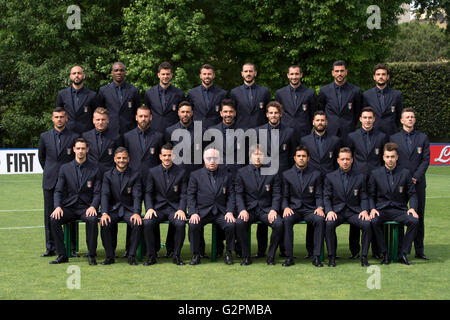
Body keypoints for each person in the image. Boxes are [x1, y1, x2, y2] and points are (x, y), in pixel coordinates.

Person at [49, 138, 101, 265]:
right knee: (54, 219)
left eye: (83, 148)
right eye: (78, 148)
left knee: (92, 219)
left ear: (87, 150)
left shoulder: (95, 169)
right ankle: (62, 254)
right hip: (70, 207)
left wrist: (94, 206)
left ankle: (91, 254)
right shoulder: (65, 168)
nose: (80, 151)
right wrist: (57, 207)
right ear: (73, 150)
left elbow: (98, 192)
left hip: (86, 207)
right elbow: (58, 191)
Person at [368, 142, 419, 265]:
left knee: (414, 221)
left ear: (397, 157)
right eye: (387, 157)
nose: (390, 159)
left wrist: (412, 208)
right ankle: (384, 254)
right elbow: (370, 195)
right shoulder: (375, 173)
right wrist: (372, 209)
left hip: (399, 210)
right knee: (373, 221)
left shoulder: (405, 173)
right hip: (381, 209)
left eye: (392, 157)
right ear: (383, 157)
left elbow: (412, 193)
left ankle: (403, 253)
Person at [346, 107, 387, 258]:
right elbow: (348, 157)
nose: (368, 120)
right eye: (365, 117)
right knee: (358, 213)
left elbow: (384, 159)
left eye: (370, 117)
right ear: (360, 119)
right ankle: (355, 251)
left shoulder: (382, 137)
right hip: (357, 179)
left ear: (374, 119)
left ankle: (377, 251)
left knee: (375, 214)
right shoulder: (352, 136)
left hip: (376, 180)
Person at [38, 107, 79, 257]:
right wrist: (51, 172)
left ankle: (72, 247)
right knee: (50, 215)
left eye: (62, 117)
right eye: (56, 117)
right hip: (50, 181)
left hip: (69, 183)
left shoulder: (74, 136)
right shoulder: (45, 136)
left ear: (66, 118)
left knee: (71, 214)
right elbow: (42, 158)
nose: (59, 119)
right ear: (52, 119)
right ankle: (51, 247)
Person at [390, 108, 430, 260]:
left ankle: (419, 250)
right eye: (407, 117)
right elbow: (393, 159)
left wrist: (416, 177)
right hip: (400, 183)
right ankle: (399, 249)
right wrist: (405, 178)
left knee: (418, 216)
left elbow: (426, 160)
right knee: (400, 215)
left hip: (418, 183)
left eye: (412, 117)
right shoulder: (393, 137)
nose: (410, 119)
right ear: (401, 120)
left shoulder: (423, 137)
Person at [300, 111, 341, 258]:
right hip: (311, 181)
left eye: (323, 120)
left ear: (326, 122)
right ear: (313, 122)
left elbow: (338, 162)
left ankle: (332, 251)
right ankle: (311, 251)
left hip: (329, 182)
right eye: (317, 120)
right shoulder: (304, 140)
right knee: (314, 215)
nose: (320, 123)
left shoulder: (335, 140)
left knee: (330, 216)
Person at [234, 144, 283, 266]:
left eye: (260, 154)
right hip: (249, 210)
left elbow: (277, 194)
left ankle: (271, 256)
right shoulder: (242, 172)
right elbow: (238, 194)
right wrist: (242, 210)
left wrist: (273, 210)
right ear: (250, 157)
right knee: (240, 223)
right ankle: (246, 256)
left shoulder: (272, 172)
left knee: (279, 223)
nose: (257, 157)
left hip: (266, 210)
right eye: (255, 154)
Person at [323, 147, 372, 267]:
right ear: (338, 160)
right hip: (337, 211)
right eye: (343, 159)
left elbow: (364, 196)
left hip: (354, 211)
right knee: (329, 224)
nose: (345, 162)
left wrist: (365, 210)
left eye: (348, 159)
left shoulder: (360, 177)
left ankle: (364, 257)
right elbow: (326, 197)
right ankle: (332, 256)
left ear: (352, 160)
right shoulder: (330, 177)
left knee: (366, 224)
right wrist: (329, 211)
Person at [187, 148, 236, 265]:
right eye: (209, 158)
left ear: (219, 159)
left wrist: (229, 211)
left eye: (215, 158)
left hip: (221, 212)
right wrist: (193, 212)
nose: (212, 161)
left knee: (231, 225)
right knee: (193, 225)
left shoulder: (227, 175)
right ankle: (196, 254)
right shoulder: (195, 175)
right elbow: (191, 196)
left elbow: (231, 196)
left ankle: (228, 253)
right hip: (202, 212)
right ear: (204, 160)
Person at [143, 143, 188, 266]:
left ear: (173, 156)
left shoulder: (181, 172)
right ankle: (151, 256)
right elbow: (148, 193)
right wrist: (150, 208)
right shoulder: (152, 172)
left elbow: (184, 194)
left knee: (180, 223)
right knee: (147, 223)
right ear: (160, 156)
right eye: (164, 155)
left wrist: (181, 209)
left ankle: (176, 256)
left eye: (169, 155)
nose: (167, 158)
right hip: (158, 209)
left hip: (174, 209)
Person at [281, 145, 325, 267]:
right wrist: (285, 207)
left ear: (308, 158)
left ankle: (316, 257)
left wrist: (320, 207)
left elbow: (318, 195)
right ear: (294, 158)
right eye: (299, 156)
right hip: (294, 209)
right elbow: (284, 196)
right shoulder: (286, 174)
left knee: (320, 219)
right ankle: (289, 257)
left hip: (310, 210)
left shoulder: (316, 174)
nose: (301, 158)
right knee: (286, 219)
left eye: (303, 156)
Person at [99, 147, 143, 265]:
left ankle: (131, 255)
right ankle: (109, 256)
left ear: (128, 159)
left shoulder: (135, 175)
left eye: (124, 158)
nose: (121, 160)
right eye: (119, 158)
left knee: (137, 223)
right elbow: (105, 195)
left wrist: (136, 213)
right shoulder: (108, 175)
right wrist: (104, 213)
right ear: (114, 159)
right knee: (105, 222)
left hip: (129, 210)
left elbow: (137, 196)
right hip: (113, 209)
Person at [318, 60, 361, 139]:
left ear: (346, 72)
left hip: (349, 131)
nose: (339, 74)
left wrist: (351, 124)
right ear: (332, 73)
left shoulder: (355, 91)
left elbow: (357, 111)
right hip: (330, 131)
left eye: (342, 71)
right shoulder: (324, 90)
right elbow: (321, 109)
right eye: (337, 71)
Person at [96, 62, 141, 135]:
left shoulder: (133, 90)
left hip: (129, 131)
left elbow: (137, 111)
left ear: (125, 72)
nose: (119, 72)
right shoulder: (103, 90)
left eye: (121, 70)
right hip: (109, 131)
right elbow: (99, 112)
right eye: (116, 70)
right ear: (112, 73)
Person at [275, 65, 317, 138]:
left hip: (304, 133)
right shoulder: (280, 93)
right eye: (292, 74)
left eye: (297, 74)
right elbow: (278, 113)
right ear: (288, 75)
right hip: (285, 132)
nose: (294, 77)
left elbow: (312, 114)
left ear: (301, 75)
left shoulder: (309, 93)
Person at [144, 61, 185, 133]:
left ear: (171, 75)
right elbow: (147, 113)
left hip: (173, 132)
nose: (165, 76)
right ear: (158, 75)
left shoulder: (179, 94)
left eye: (167, 74)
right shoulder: (149, 93)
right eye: (163, 74)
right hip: (154, 133)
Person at [362, 63, 403, 136]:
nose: (381, 77)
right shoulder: (366, 95)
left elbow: (399, 115)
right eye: (378, 74)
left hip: (391, 134)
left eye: (383, 74)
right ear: (374, 77)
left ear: (387, 77)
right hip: (373, 134)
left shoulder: (396, 95)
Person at [56, 65, 97, 134]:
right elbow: (58, 114)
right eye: (74, 73)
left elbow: (96, 116)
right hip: (67, 133)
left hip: (86, 133)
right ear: (70, 76)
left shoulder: (92, 95)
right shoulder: (62, 94)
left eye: (79, 73)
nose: (76, 75)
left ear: (83, 76)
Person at [230, 62, 271, 129]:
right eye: (246, 71)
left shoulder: (264, 91)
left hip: (261, 130)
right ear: (242, 74)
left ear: (255, 73)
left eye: (250, 71)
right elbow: (232, 113)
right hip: (241, 131)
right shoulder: (234, 92)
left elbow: (269, 112)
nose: (248, 74)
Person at [82, 107, 122, 175]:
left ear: (108, 120)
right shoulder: (86, 136)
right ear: (93, 120)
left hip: (109, 174)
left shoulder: (116, 137)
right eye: (98, 120)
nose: (100, 122)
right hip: (90, 173)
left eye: (103, 119)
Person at [187, 64, 227, 129]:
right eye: (204, 74)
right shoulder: (192, 93)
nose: (207, 76)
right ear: (200, 76)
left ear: (213, 75)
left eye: (209, 74)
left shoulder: (222, 94)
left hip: (216, 130)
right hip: (196, 129)